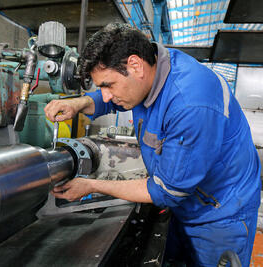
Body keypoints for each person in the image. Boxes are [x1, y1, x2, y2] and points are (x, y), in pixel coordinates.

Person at [44, 23, 261, 266]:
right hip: (188, 201)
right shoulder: (152, 71)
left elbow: (166, 191)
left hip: (220, 213)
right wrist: (80, 103)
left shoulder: (191, 104)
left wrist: (91, 185)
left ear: (135, 65)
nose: (104, 95)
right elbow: (112, 101)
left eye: (107, 85)